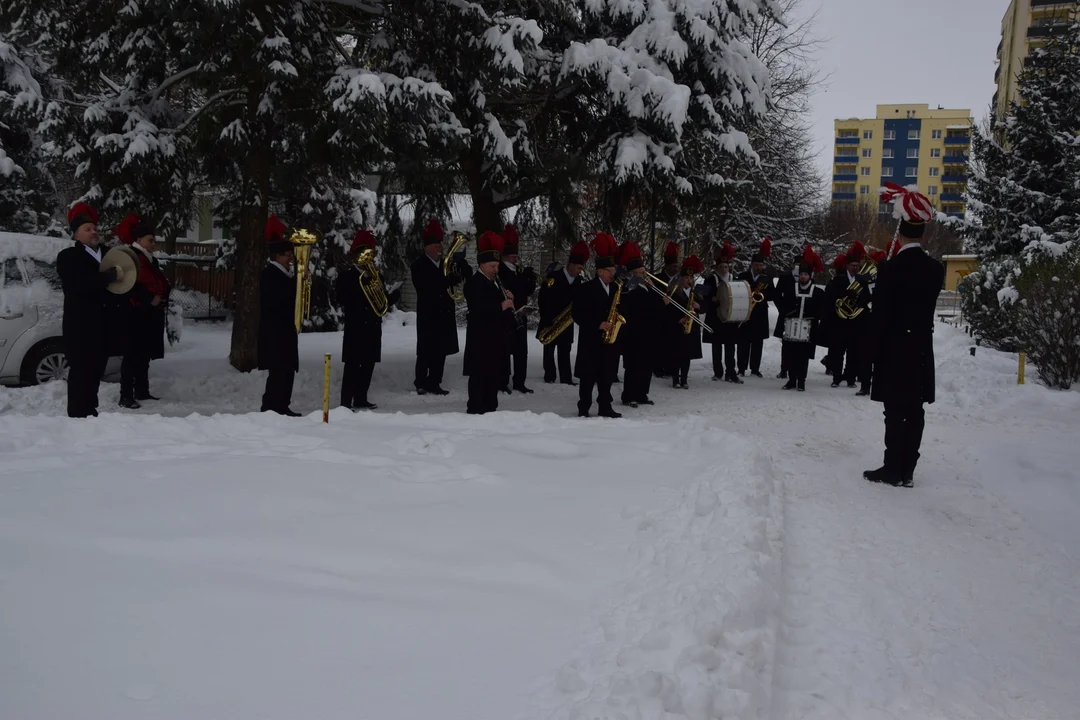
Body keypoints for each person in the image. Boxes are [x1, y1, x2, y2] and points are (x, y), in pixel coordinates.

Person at [864, 185, 945, 488]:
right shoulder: (936, 270)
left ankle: (891, 468)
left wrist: (868, 355)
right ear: (922, 232)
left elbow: (881, 317)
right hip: (921, 349)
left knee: (894, 412)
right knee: (915, 410)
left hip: (894, 350)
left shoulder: (890, 269)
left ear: (901, 232)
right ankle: (908, 470)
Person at [57, 202, 118, 419]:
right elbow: (78, 285)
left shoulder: (108, 254)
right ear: (76, 235)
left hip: (103, 326)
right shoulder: (68, 257)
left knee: (96, 371)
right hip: (80, 326)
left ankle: (91, 411)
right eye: (87, 229)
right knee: (81, 372)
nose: (94, 232)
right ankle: (76, 414)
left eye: (94, 228)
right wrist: (104, 278)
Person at [337, 229, 400, 411]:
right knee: (352, 366)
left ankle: (361, 398)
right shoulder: (346, 277)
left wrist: (392, 297)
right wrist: (361, 286)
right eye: (364, 253)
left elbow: (382, 304)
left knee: (368, 365)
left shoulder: (376, 276)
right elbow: (343, 299)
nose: (368, 259)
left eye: (370, 254)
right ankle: (345, 402)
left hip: (372, 328)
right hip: (355, 328)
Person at [114, 212, 170, 409]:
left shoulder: (147, 258)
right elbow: (128, 284)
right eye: (150, 240)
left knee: (143, 354)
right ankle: (126, 395)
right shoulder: (131, 256)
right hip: (134, 313)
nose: (154, 243)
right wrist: (149, 298)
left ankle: (142, 390)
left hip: (148, 313)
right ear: (139, 240)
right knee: (132, 355)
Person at [410, 219, 465, 396]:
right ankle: (420, 381)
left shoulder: (445, 264)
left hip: (444, 312)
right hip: (428, 313)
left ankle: (435, 381)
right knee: (425, 349)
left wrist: (457, 276)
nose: (438, 248)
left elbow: (452, 281)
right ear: (426, 247)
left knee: (440, 350)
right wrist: (446, 280)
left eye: (439, 244)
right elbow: (425, 286)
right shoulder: (418, 265)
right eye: (435, 245)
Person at [463, 231, 515, 414]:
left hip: (496, 339)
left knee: (493, 375)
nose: (496, 270)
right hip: (480, 339)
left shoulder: (495, 283)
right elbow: (478, 309)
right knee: (479, 376)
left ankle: (491, 407)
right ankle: (476, 408)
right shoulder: (474, 282)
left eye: (497, 266)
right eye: (492, 266)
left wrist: (509, 302)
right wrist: (501, 306)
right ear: (482, 264)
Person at [573, 233, 622, 419]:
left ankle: (605, 406)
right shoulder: (585, 289)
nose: (613, 273)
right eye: (610, 270)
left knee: (607, 375)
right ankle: (583, 408)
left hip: (610, 341)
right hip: (591, 340)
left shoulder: (617, 289)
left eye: (614, 270)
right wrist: (598, 324)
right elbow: (577, 314)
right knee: (587, 377)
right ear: (600, 271)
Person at [258, 215, 300, 416]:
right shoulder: (270, 274)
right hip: (275, 332)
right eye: (286, 254)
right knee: (278, 371)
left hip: (284, 329)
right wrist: (297, 283)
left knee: (288, 369)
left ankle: (283, 405)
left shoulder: (284, 275)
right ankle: (271, 408)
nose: (290, 258)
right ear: (276, 256)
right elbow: (280, 299)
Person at [617, 240, 666, 408]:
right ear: (632, 273)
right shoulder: (628, 287)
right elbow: (642, 308)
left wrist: (652, 289)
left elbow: (654, 308)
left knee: (646, 365)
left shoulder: (647, 286)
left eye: (644, 272)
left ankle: (642, 394)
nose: (645, 275)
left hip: (649, 333)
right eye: (640, 272)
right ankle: (628, 395)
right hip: (634, 333)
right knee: (633, 366)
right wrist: (660, 302)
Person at [537, 241, 588, 385]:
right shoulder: (553, 276)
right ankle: (550, 375)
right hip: (550, 318)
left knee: (565, 350)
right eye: (578, 267)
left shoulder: (579, 281)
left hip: (567, 321)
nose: (580, 271)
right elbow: (543, 297)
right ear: (571, 265)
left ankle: (566, 378)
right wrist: (547, 317)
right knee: (549, 348)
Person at [497, 223, 538, 394]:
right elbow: (513, 288)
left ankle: (520, 381)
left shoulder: (517, 271)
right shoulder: (501, 271)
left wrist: (531, 280)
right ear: (505, 257)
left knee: (522, 351)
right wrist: (523, 280)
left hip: (520, 314)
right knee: (505, 350)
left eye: (515, 256)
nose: (515, 259)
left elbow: (526, 290)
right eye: (512, 256)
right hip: (506, 316)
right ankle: (503, 381)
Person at [780, 246, 825, 392]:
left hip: (808, 328)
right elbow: (784, 306)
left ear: (810, 276)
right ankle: (792, 379)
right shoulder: (791, 289)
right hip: (792, 327)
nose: (803, 277)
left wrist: (812, 316)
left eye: (806, 275)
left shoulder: (818, 292)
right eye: (801, 275)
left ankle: (801, 381)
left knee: (803, 356)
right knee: (791, 354)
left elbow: (822, 309)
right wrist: (789, 313)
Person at [826, 242, 871, 389]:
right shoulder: (838, 280)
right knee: (838, 351)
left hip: (856, 322)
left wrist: (858, 301)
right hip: (840, 321)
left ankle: (850, 378)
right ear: (847, 266)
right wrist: (845, 294)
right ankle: (836, 377)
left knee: (854, 352)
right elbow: (830, 296)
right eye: (852, 265)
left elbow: (867, 299)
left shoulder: (862, 281)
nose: (855, 268)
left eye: (857, 265)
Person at [701, 243, 741, 384]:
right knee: (716, 346)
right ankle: (718, 372)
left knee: (730, 347)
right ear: (717, 268)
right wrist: (711, 298)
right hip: (715, 317)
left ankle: (731, 372)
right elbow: (703, 295)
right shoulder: (710, 279)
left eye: (726, 267)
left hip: (730, 318)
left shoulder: (733, 278)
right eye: (721, 267)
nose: (724, 269)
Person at [736, 238, 773, 378]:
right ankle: (741, 368)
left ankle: (755, 369)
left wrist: (762, 294)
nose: (759, 267)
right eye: (756, 265)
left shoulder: (767, 278)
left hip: (760, 313)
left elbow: (773, 294)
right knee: (743, 343)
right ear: (751, 265)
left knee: (757, 344)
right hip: (745, 313)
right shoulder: (743, 276)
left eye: (761, 265)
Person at [667, 255, 704, 389]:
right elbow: (669, 310)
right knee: (677, 353)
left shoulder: (696, 293)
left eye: (691, 278)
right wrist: (678, 319)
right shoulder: (674, 292)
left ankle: (684, 379)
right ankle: (675, 379)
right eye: (686, 278)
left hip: (692, 326)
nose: (689, 280)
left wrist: (698, 307)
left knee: (687, 354)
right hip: (678, 326)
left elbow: (704, 307)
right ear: (681, 279)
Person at [652, 240, 681, 379]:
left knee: (672, 343)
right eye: (674, 266)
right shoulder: (658, 278)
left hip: (674, 315)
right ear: (667, 266)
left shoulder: (678, 280)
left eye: (677, 266)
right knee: (659, 343)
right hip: (660, 314)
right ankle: (658, 367)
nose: (676, 269)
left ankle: (670, 367)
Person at [773, 255, 799, 379]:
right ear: (793, 264)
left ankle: (796, 369)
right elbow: (777, 295)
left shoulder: (808, 277)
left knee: (799, 345)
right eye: (797, 264)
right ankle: (784, 369)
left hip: (801, 316)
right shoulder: (785, 277)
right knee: (786, 343)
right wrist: (783, 310)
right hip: (787, 314)